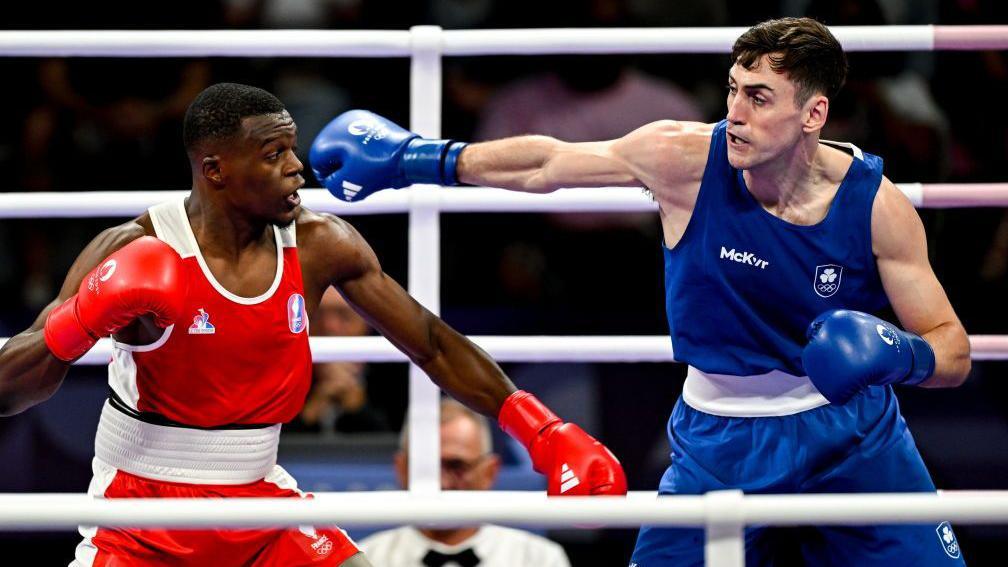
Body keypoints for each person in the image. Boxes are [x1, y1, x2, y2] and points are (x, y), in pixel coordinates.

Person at [310, 17, 972, 566]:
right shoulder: (685, 159)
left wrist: (895, 353)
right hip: (721, 437)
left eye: (760, 98)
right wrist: (422, 157)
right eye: (734, 90)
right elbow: (548, 163)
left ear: (813, 113)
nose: (736, 114)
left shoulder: (876, 206)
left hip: (854, 437)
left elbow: (953, 351)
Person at [0, 82, 626, 567]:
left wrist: (541, 429)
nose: (297, 167)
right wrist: (77, 320)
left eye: (292, 148)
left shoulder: (321, 244)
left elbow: (432, 343)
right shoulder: (133, 247)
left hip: (260, 498)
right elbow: (11, 386)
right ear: (215, 170)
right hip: (140, 510)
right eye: (274, 155)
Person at [359, 398, 571, 567]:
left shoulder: (538, 560)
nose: (441, 481)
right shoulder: (365, 560)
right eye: (426, 467)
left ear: (489, 472)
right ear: (402, 468)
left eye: (456, 465)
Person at [287, 285, 390, 434]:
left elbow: (398, 449)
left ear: (368, 322)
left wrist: (358, 408)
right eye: (317, 315)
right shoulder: (283, 373)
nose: (330, 326)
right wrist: (311, 412)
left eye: (343, 315)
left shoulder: (396, 367)